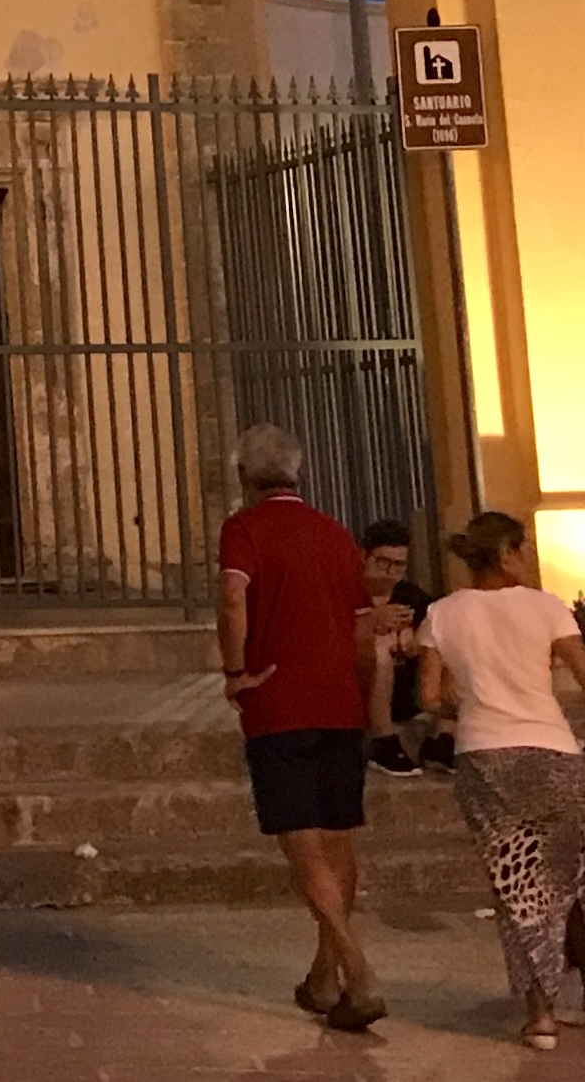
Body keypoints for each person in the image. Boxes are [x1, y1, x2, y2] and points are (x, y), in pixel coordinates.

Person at [419, 509, 585, 1050]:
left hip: (484, 757)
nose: (529, 558)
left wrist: (466, 704)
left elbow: (429, 696)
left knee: (517, 885)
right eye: (523, 548)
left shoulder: (441, 614)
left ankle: (541, 1012)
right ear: (506, 554)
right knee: (571, 874)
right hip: (552, 750)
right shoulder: (546, 607)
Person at [216, 422, 386, 1033]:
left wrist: (235, 671)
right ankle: (323, 975)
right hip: (339, 702)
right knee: (338, 841)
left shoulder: (243, 530)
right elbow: (363, 631)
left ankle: (358, 972)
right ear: (299, 471)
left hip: (279, 703)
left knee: (302, 845)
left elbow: (234, 599)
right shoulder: (336, 534)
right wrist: (361, 694)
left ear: (244, 476)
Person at [360, 518, 453, 777]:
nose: (390, 571)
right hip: (362, 687)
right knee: (381, 647)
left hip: (409, 691)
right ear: (365, 557)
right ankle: (383, 739)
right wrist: (371, 624)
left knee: (452, 644)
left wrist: (418, 642)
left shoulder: (412, 597)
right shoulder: (346, 594)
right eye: (383, 562)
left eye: (399, 564)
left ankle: (444, 735)